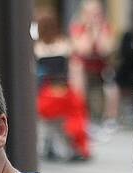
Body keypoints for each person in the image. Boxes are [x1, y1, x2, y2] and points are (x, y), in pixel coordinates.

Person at [34, 8, 91, 161]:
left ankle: (54, 146)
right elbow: (74, 68)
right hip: (64, 92)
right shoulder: (65, 44)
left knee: (48, 112)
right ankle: (75, 147)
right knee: (75, 112)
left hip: (47, 94)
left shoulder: (35, 48)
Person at [69, 0, 118, 126]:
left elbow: (105, 50)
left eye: (97, 13)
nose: (94, 17)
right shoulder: (77, 27)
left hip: (101, 68)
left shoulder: (106, 27)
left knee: (112, 86)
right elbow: (83, 50)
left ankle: (108, 119)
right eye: (91, 13)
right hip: (83, 68)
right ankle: (82, 117)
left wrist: (98, 31)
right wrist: (89, 31)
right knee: (76, 67)